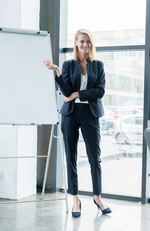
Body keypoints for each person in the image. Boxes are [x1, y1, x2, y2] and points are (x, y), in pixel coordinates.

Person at [43, 29, 111, 217]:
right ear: (75, 43)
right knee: (71, 156)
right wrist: (57, 71)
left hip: (90, 113)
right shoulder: (68, 65)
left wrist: (78, 94)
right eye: (82, 41)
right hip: (70, 115)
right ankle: (75, 199)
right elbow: (66, 92)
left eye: (88, 42)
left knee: (94, 157)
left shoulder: (98, 65)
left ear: (91, 44)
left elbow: (100, 91)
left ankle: (97, 197)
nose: (85, 45)